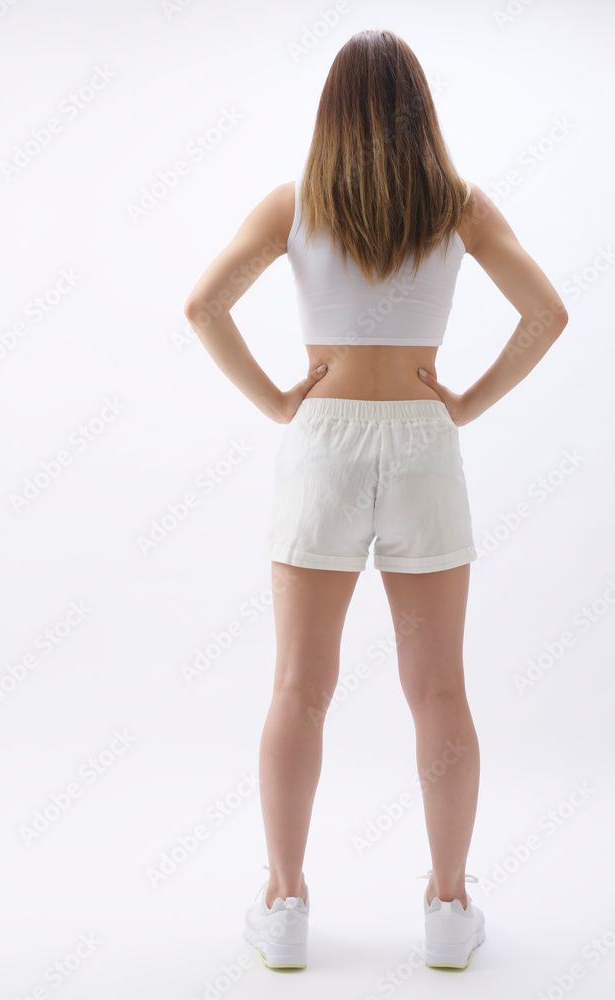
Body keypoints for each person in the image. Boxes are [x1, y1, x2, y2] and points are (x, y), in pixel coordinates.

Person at [184, 28, 568, 972]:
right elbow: (546, 313)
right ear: (418, 108)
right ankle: (448, 908)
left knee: (297, 687)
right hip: (422, 445)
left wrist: (279, 401)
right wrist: (464, 403)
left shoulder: (293, 205)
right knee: (438, 689)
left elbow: (203, 306)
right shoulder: (457, 205)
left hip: (322, 443)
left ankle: (282, 905)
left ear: (332, 110)